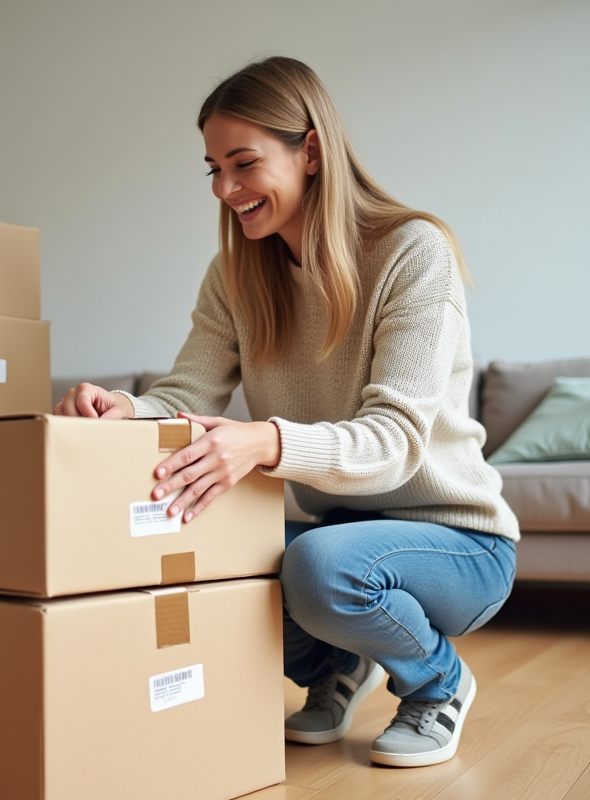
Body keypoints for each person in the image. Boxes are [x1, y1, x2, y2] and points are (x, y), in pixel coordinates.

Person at [54, 56, 519, 768]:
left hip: (457, 541)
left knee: (317, 565)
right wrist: (119, 408)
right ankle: (335, 669)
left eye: (243, 163)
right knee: (222, 539)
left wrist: (265, 442)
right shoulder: (238, 274)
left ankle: (439, 684)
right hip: (341, 531)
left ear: (309, 151)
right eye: (212, 168)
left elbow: (395, 441)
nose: (226, 189)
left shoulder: (411, 252)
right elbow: (185, 395)